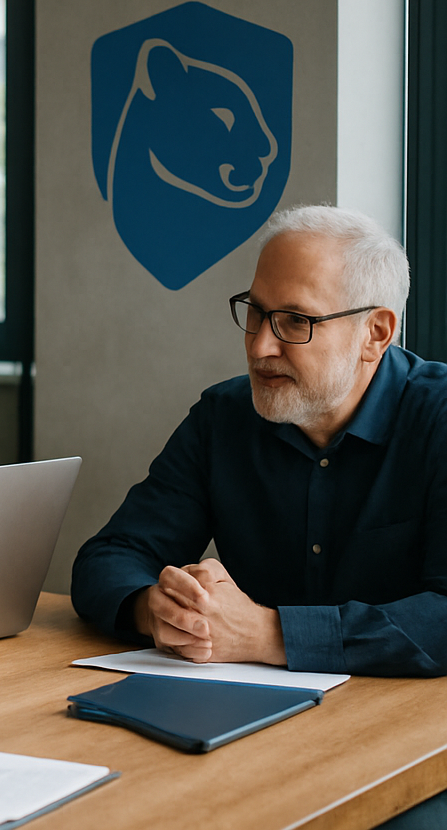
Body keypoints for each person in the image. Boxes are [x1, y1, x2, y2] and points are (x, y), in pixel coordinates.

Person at [72, 205, 447, 677]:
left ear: (375, 333)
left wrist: (267, 634)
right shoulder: (223, 417)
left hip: (401, 723)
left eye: (295, 321)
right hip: (243, 708)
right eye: (256, 311)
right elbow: (109, 558)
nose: (259, 347)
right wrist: (161, 611)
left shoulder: (437, 419)